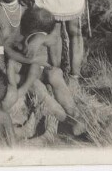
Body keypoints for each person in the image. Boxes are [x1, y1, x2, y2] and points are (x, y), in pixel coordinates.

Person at [11, 7, 86, 136]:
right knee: (47, 81)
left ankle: (74, 115)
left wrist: (32, 45)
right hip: (33, 73)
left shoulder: (41, 37)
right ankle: (69, 118)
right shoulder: (39, 37)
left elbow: (52, 45)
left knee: (55, 75)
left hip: (40, 71)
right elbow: (50, 53)